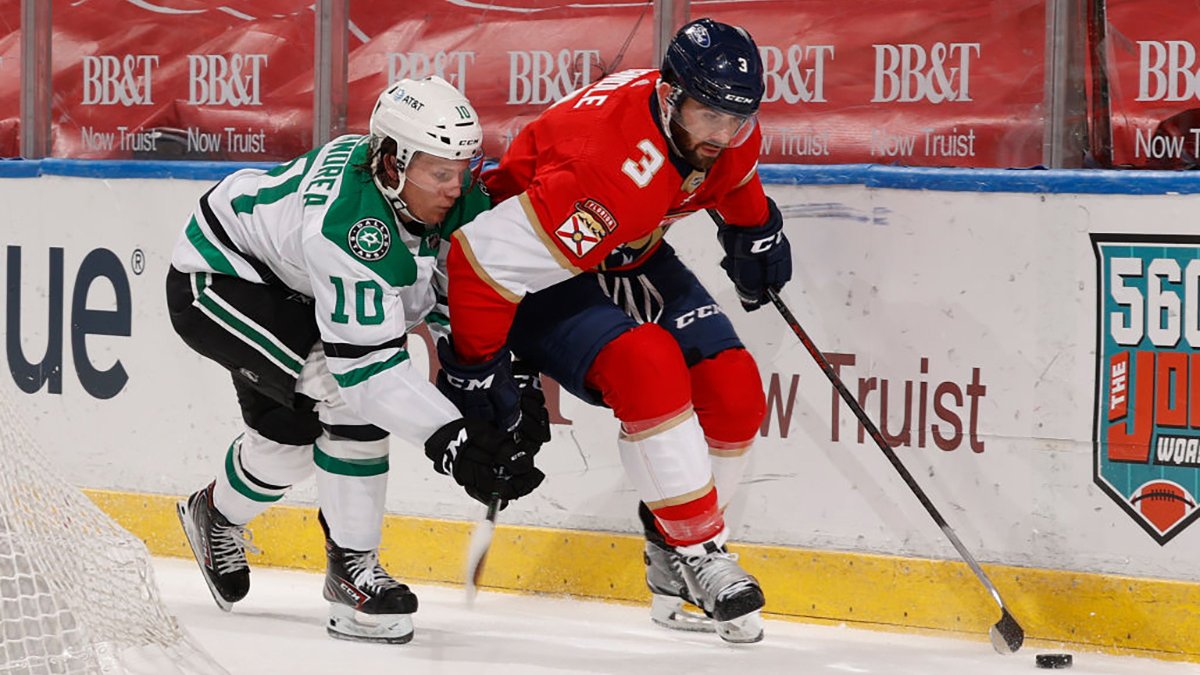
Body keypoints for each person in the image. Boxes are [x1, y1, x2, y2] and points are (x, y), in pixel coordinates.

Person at [435, 18, 791, 644]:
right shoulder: (602, 170)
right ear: (668, 93)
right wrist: (478, 369)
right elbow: (479, 260)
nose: (723, 134)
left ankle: (670, 554)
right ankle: (703, 551)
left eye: (737, 118)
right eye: (708, 115)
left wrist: (753, 229)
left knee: (734, 389)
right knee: (647, 364)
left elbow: (728, 172)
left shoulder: (723, 132)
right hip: (541, 265)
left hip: (628, 248)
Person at [166, 76, 543, 645]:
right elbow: (367, 372)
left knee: (290, 442)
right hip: (223, 278)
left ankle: (213, 514)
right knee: (343, 397)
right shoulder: (350, 228)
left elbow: (460, 300)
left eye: (461, 169)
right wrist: (454, 442)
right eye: (439, 173)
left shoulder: (453, 197)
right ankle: (353, 570)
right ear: (391, 164)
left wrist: (506, 391)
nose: (454, 187)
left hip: (301, 286)